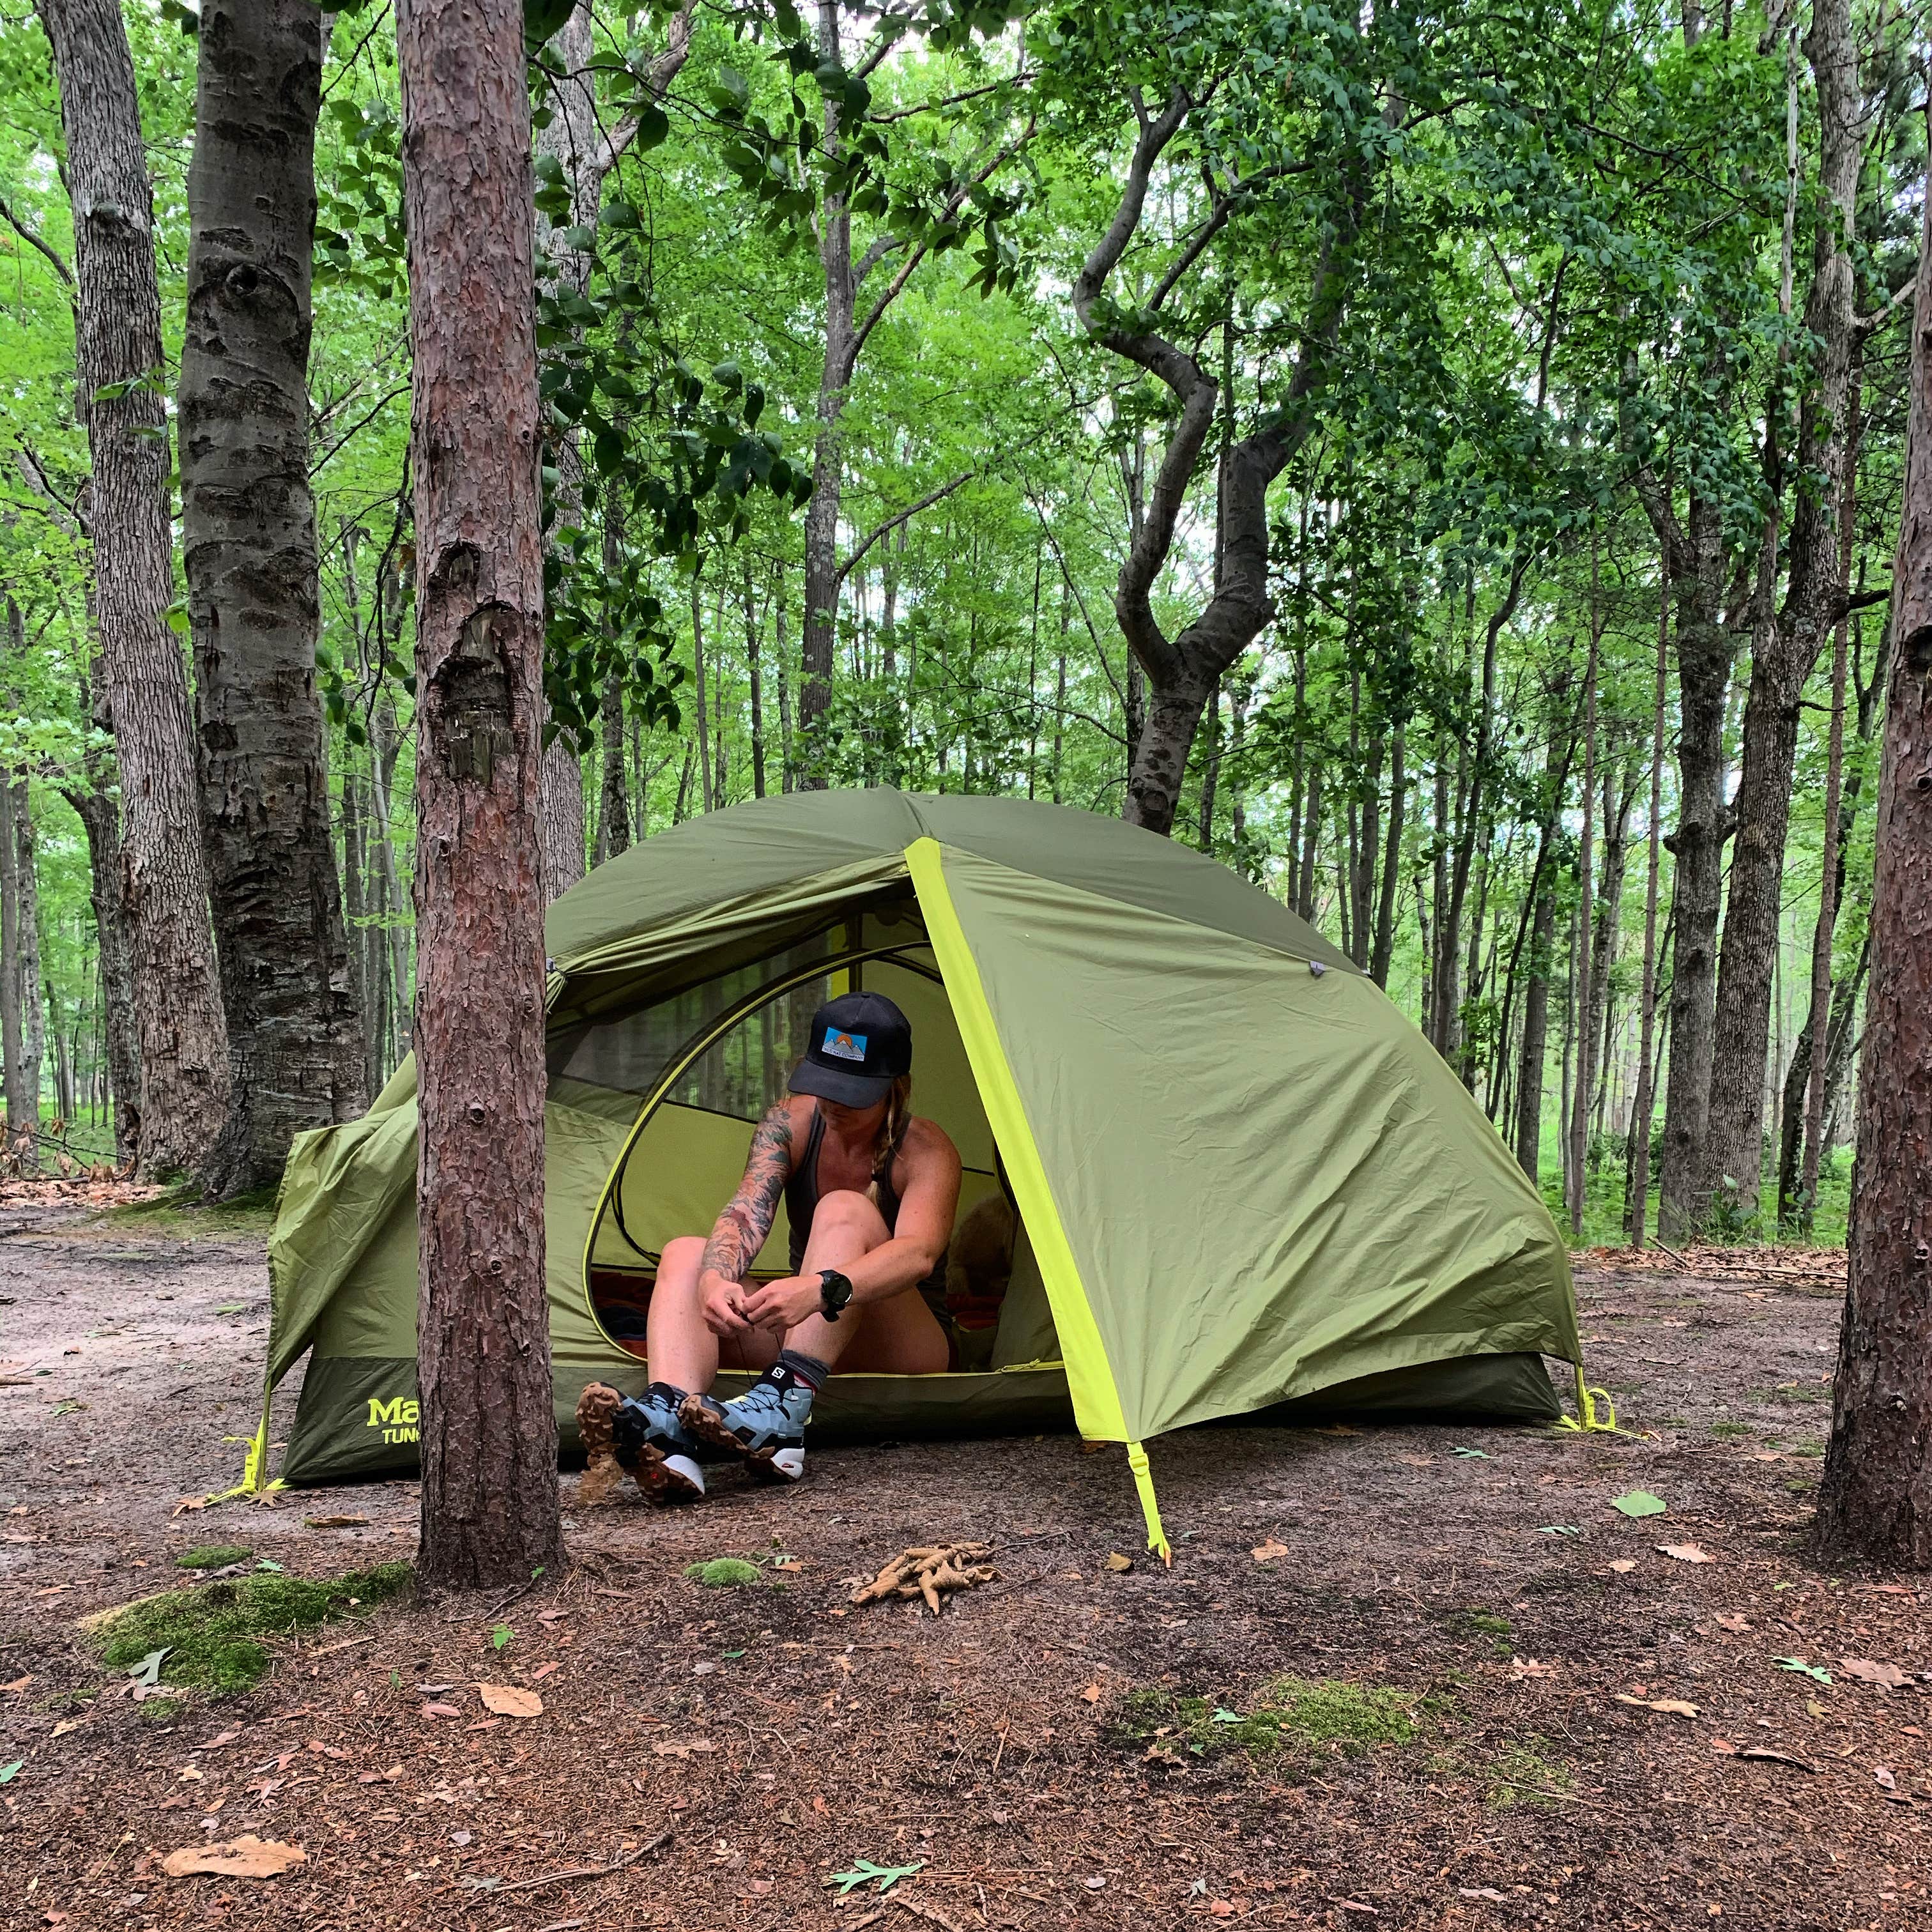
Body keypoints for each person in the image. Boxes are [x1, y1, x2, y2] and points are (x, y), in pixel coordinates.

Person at [578, 990, 960, 1502]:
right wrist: (715, 1281)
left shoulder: (926, 1150)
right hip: (810, 1333)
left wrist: (822, 1289)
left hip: (906, 1344)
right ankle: (669, 1426)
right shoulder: (792, 1123)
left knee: (843, 1208)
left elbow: (919, 1253)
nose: (835, 1102)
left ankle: (786, 1407)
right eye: (825, 1084)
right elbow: (744, 1212)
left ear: (896, 1086)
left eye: (854, 1091)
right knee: (689, 1254)